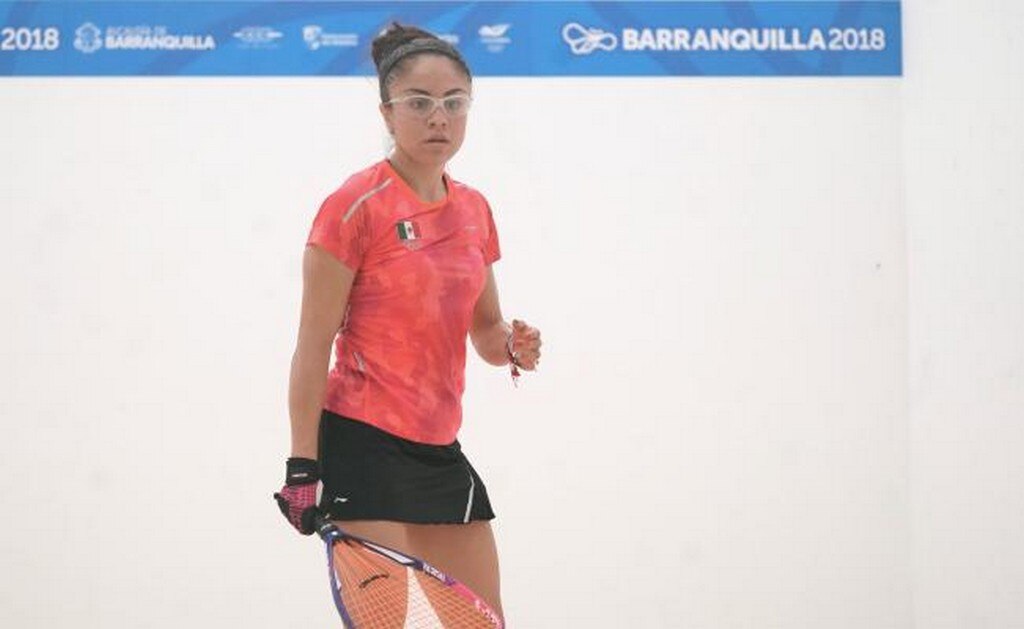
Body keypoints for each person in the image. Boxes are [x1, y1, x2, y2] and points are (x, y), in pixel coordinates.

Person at [273, 23, 541, 621]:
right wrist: (302, 466)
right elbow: (312, 346)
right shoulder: (353, 206)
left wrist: (512, 345)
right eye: (418, 103)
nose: (438, 117)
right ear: (388, 114)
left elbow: (487, 333)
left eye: (453, 103)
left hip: (439, 453)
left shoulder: (473, 210)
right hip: (360, 444)